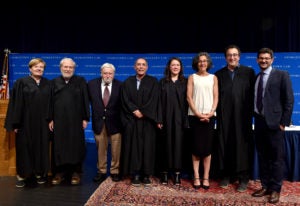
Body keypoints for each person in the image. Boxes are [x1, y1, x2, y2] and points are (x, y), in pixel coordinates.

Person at [252, 48, 294, 204]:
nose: (263, 60)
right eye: (261, 58)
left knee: (276, 159)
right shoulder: (256, 77)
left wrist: (284, 123)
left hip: (275, 124)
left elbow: (289, 100)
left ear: (272, 59)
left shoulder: (282, 75)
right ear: (257, 60)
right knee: (263, 157)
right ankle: (265, 186)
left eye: (266, 58)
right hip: (260, 123)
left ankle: (275, 189)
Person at [214, 44, 255, 192]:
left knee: (242, 147)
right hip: (224, 117)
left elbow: (253, 96)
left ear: (239, 56)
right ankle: (226, 175)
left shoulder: (249, 72)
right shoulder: (219, 74)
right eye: (229, 55)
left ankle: (243, 178)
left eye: (235, 55)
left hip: (243, 117)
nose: (232, 57)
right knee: (224, 145)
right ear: (225, 58)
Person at [4, 58, 51, 187]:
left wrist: (52, 119)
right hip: (25, 123)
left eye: (41, 67)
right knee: (24, 149)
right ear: (30, 68)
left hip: (42, 123)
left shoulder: (47, 84)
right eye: (36, 66)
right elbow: (15, 104)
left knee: (41, 148)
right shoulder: (21, 82)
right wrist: (15, 123)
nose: (39, 69)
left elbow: (51, 104)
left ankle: (39, 173)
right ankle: (23, 175)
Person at [48, 57, 90, 185]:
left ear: (74, 68)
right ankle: (59, 172)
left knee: (75, 146)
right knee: (59, 146)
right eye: (65, 67)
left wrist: (85, 118)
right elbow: (49, 102)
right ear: (61, 68)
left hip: (76, 120)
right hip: (59, 120)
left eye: (70, 67)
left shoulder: (81, 81)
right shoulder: (53, 82)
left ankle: (76, 172)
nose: (68, 69)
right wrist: (50, 118)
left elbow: (85, 100)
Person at [120, 57, 159, 186]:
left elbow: (154, 99)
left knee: (147, 147)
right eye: (138, 65)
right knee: (134, 147)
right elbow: (125, 99)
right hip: (132, 121)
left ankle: (146, 174)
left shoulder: (153, 82)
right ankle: (135, 173)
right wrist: (134, 110)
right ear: (134, 67)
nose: (141, 67)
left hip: (147, 121)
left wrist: (143, 112)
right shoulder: (127, 82)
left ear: (147, 67)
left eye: (143, 65)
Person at [186, 52, 218, 190]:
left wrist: (211, 113)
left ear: (208, 63)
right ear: (196, 63)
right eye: (200, 61)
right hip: (194, 117)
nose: (202, 63)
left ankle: (206, 177)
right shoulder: (192, 77)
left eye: (204, 61)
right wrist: (198, 113)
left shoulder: (213, 78)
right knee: (196, 148)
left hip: (210, 117)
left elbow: (216, 97)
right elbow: (189, 97)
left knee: (207, 149)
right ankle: (196, 176)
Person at [88, 62, 123, 183]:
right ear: (101, 73)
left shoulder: (120, 85)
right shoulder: (91, 84)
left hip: (116, 123)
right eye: (105, 73)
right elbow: (86, 102)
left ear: (114, 74)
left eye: (110, 73)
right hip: (98, 123)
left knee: (116, 149)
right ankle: (101, 171)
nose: (107, 75)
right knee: (100, 149)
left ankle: (115, 171)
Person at [156, 57, 189, 186]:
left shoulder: (185, 82)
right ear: (169, 67)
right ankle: (164, 173)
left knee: (179, 146)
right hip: (165, 119)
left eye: (177, 65)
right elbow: (158, 102)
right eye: (173, 65)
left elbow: (189, 102)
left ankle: (177, 174)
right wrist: (159, 119)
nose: (175, 67)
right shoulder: (162, 82)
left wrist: (186, 120)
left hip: (180, 119)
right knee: (165, 145)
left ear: (180, 68)